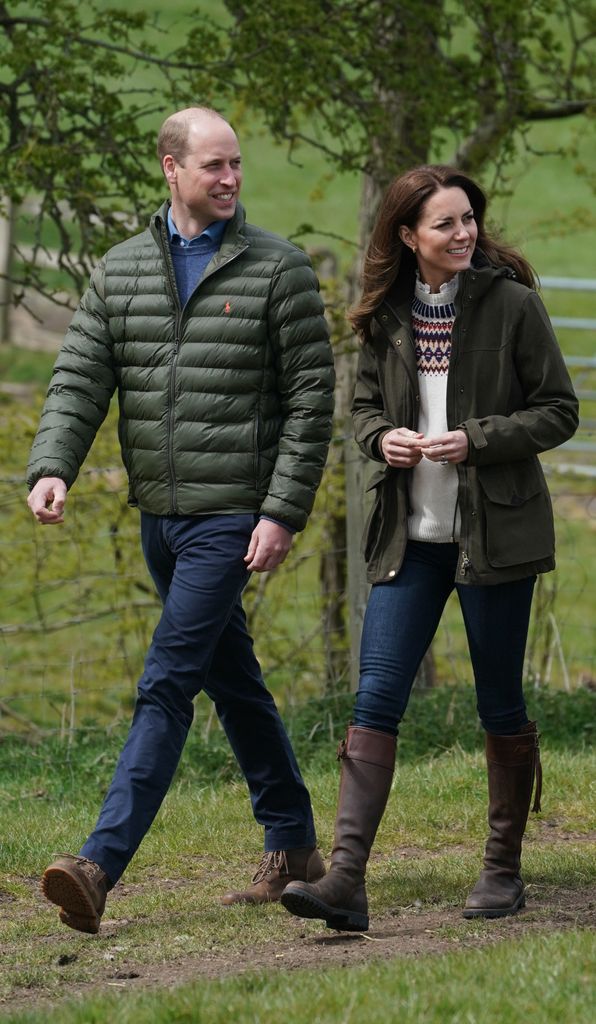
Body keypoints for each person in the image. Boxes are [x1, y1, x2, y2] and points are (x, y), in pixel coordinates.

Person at [27, 106, 335, 934]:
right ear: (171, 170)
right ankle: (297, 844)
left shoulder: (279, 270)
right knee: (231, 678)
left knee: (167, 682)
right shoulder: (123, 269)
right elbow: (81, 375)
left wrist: (281, 510)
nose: (231, 179)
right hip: (158, 515)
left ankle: (98, 865)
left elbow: (312, 403)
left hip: (231, 516)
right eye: (214, 167)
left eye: (237, 165)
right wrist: (53, 464)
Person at [281, 164, 579, 931]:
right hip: (407, 542)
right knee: (376, 697)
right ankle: (346, 882)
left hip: (497, 537)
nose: (463, 233)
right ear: (408, 235)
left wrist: (474, 441)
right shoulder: (384, 317)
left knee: (498, 702)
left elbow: (558, 411)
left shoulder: (514, 306)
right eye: (444, 223)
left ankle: (502, 870)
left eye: (468, 219)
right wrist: (388, 440)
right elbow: (362, 412)